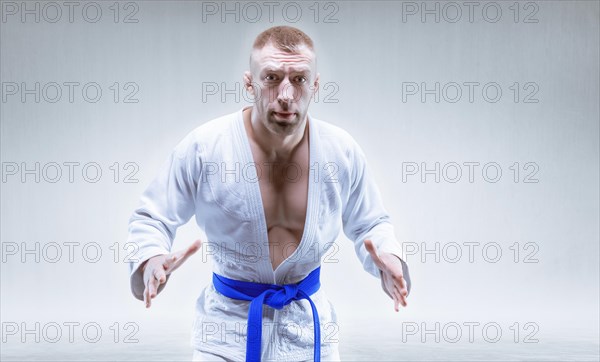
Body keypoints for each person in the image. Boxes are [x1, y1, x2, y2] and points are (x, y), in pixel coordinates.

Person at [126, 25, 412, 362]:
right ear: (250, 82)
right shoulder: (206, 148)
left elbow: (371, 224)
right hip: (225, 335)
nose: (287, 95)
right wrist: (150, 260)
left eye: (300, 79)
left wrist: (389, 263)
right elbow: (151, 217)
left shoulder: (341, 152)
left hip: (309, 334)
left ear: (316, 85)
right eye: (272, 78)